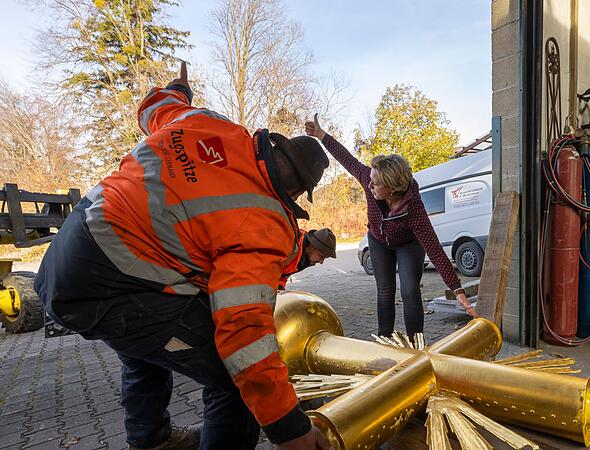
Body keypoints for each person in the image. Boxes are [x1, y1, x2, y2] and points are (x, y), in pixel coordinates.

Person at [34, 62, 333, 450]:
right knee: (234, 379)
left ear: (275, 145)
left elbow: (154, 106)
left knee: (143, 341)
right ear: (297, 194)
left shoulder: (208, 123)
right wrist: (289, 428)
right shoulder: (265, 222)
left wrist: (179, 89)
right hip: (107, 286)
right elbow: (243, 332)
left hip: (66, 255)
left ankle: (151, 439)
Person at [305, 114, 478, 339]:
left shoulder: (414, 208)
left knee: (409, 291)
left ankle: (416, 344)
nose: (369, 184)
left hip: (408, 245)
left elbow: (435, 250)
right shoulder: (369, 180)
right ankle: (384, 340)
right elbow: (348, 160)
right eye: (370, 179)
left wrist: (457, 290)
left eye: (375, 183)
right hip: (378, 241)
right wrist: (322, 135)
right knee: (385, 291)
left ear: (393, 188)